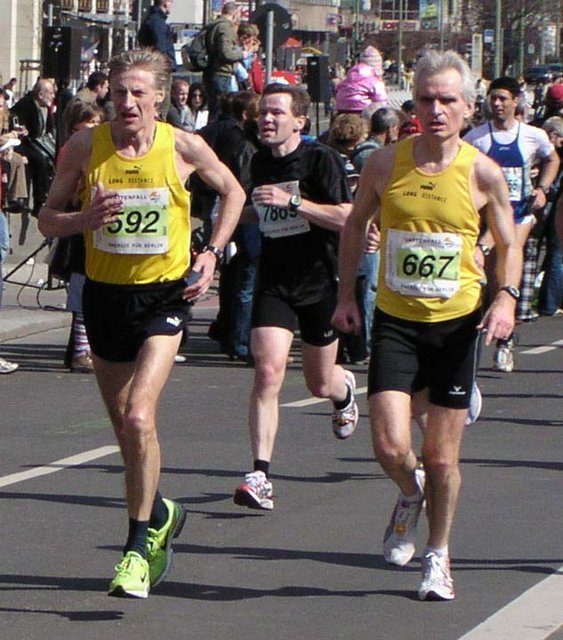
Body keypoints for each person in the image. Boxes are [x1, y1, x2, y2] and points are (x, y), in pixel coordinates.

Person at [38, 48, 245, 599]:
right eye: (118, 92)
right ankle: (160, 511)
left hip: (164, 297)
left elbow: (233, 192)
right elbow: (46, 219)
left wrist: (213, 254)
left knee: (138, 414)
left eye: (137, 93)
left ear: (160, 97)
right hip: (105, 297)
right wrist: (83, 219)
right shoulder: (85, 146)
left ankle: (135, 548)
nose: (126, 103)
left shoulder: (183, 146)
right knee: (127, 431)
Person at [332, 50, 522, 601]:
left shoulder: (482, 172)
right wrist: (346, 295)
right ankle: (409, 492)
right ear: (411, 103)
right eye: (425, 99)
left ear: (467, 107)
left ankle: (438, 555)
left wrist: (505, 299)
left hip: (456, 324)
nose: (436, 110)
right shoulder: (385, 163)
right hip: (396, 319)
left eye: (447, 101)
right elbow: (355, 226)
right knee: (392, 446)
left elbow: (508, 244)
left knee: (442, 456)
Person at [232, 83, 358, 511]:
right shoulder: (256, 159)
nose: (266, 119)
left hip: (320, 281)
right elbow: (254, 208)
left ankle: (342, 393)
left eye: (276, 113)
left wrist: (293, 201)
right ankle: (260, 474)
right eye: (262, 113)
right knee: (268, 371)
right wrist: (232, 214)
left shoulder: (321, 159)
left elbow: (346, 216)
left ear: (299, 121)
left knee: (319, 382)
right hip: (275, 280)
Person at [464, 76, 559, 371]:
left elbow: (552, 160)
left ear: (516, 101)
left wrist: (542, 188)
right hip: (488, 217)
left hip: (520, 213)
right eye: (493, 98)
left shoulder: (533, 136)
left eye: (503, 98)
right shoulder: (477, 138)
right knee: (495, 278)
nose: (497, 104)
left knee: (509, 266)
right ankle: (496, 326)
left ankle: (504, 341)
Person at [11, 78, 57, 219]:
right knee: (39, 160)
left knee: (54, 155)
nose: (53, 96)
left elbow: (48, 129)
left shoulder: (46, 107)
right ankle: (39, 201)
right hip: (25, 143)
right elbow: (16, 121)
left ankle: (51, 193)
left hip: (40, 141)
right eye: (50, 93)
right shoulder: (26, 104)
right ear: (41, 94)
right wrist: (22, 130)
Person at [202, 2, 245, 120]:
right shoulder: (225, 27)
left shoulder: (213, 25)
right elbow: (226, 53)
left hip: (212, 72)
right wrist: (242, 53)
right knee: (220, 112)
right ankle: (216, 137)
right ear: (235, 13)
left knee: (215, 110)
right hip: (221, 74)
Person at [335, 46, 388, 115]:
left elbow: (338, 90)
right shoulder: (374, 81)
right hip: (362, 110)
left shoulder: (348, 78)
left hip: (341, 109)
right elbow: (381, 101)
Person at [137, 0, 177, 71]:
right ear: (165, 2)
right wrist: (167, 65)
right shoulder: (158, 23)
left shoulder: (150, 19)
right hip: (160, 67)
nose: (172, 4)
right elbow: (160, 47)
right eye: (171, 1)